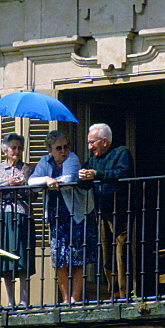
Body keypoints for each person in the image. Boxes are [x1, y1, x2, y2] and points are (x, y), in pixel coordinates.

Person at [29, 129, 97, 303]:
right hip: (56, 215)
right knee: (59, 257)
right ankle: (66, 299)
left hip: (76, 213)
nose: (63, 151)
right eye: (58, 148)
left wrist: (52, 181)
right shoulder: (45, 161)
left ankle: (75, 298)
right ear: (50, 148)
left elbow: (69, 178)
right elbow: (31, 182)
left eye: (65, 147)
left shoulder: (72, 158)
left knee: (77, 255)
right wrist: (46, 179)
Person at [79, 123, 134, 299]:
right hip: (102, 212)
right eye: (88, 143)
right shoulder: (93, 159)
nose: (89, 147)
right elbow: (84, 181)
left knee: (121, 252)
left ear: (104, 141)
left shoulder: (121, 152)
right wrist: (81, 177)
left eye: (92, 142)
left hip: (121, 210)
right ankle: (113, 291)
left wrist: (97, 174)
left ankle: (125, 293)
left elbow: (123, 174)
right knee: (106, 254)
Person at [0, 133, 36, 307]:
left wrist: (23, 185)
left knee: (22, 256)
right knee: (5, 257)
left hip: (22, 214)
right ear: (5, 149)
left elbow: (34, 195)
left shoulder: (28, 169)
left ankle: (23, 300)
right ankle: (10, 300)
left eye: (20, 148)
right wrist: (8, 183)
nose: (17, 151)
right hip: (2, 214)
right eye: (13, 147)